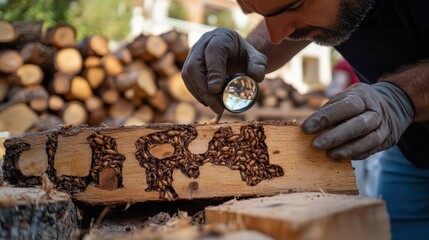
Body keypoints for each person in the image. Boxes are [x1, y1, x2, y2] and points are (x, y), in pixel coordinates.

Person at [180, 0, 429, 239]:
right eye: (260, 14)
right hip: (410, 151)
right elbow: (280, 26)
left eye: (296, 6)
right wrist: (249, 50)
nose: (277, 36)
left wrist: (404, 96)